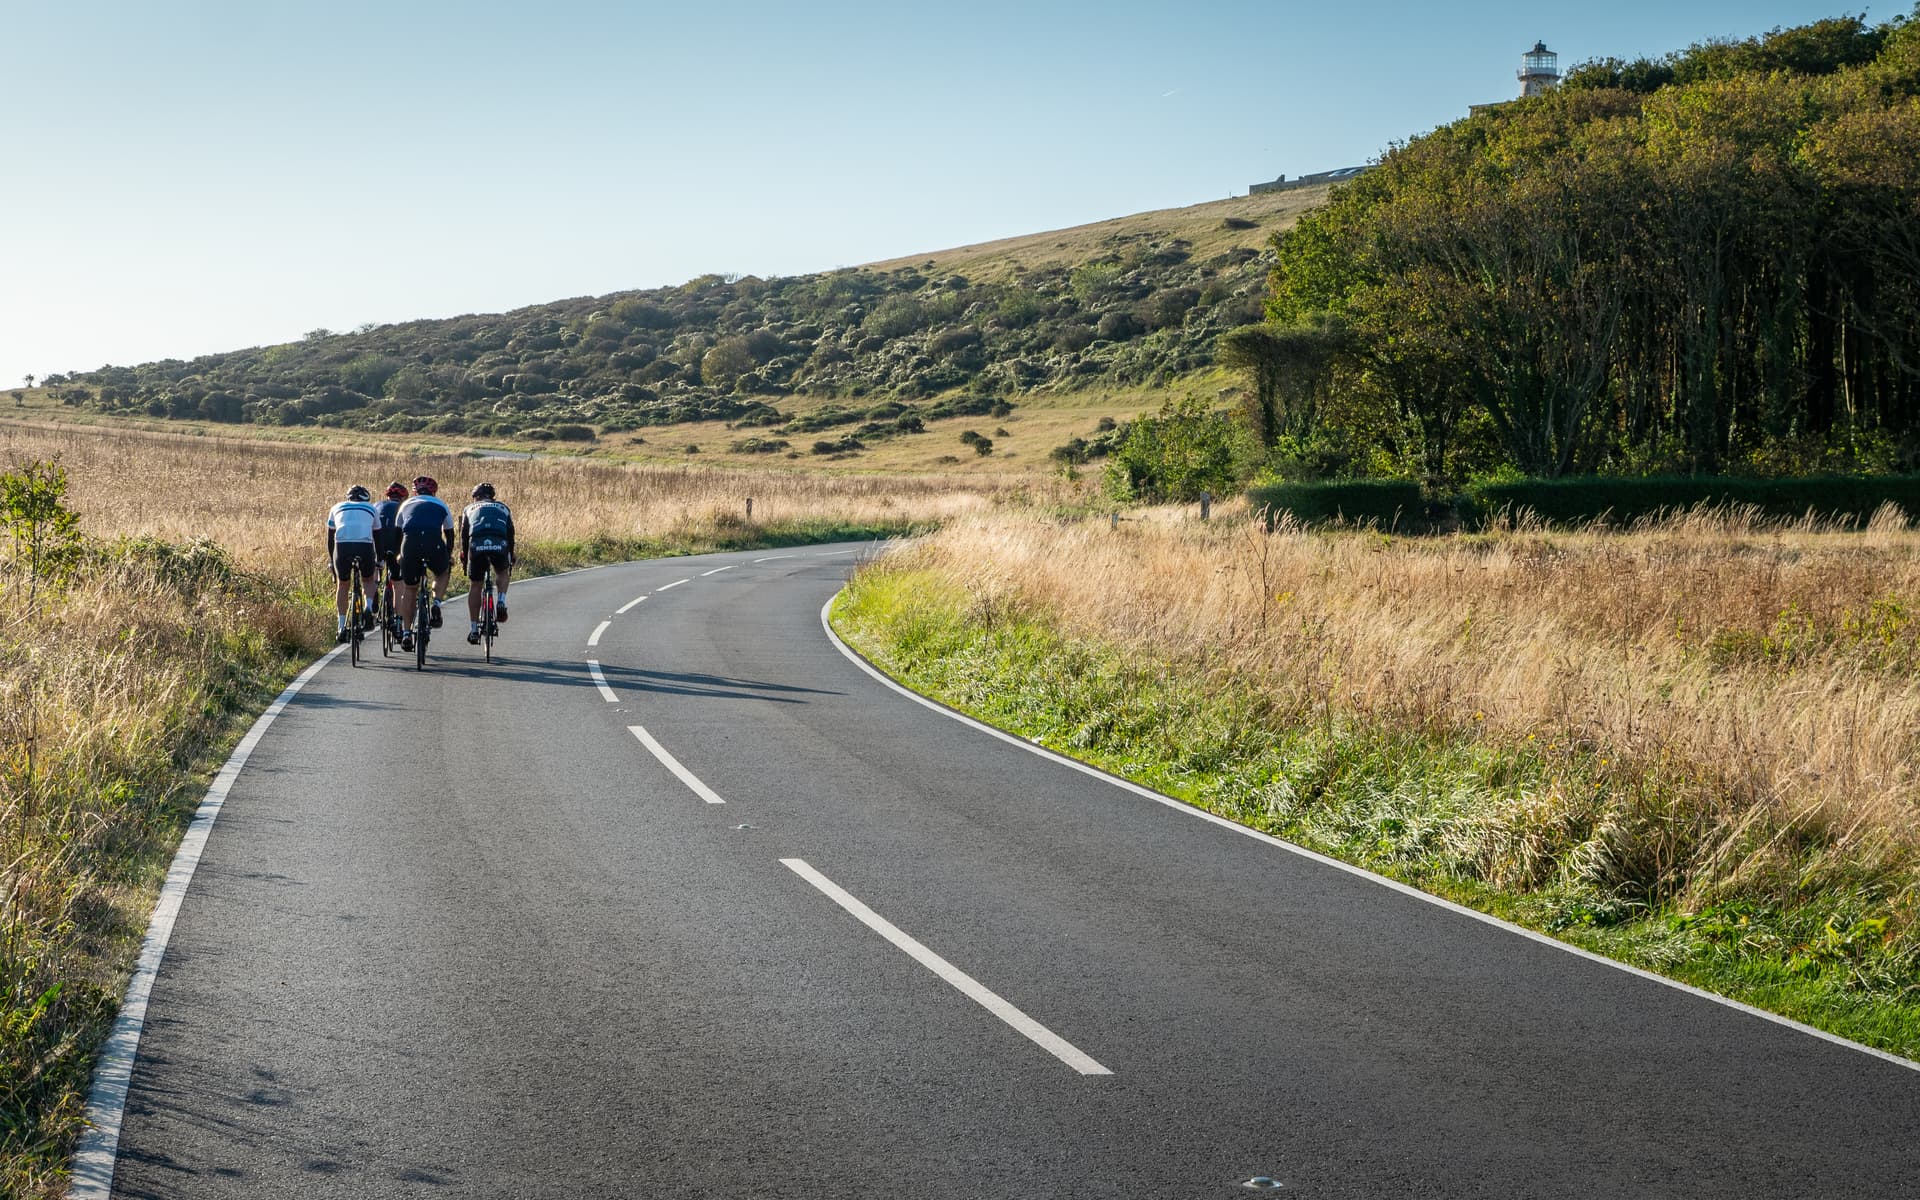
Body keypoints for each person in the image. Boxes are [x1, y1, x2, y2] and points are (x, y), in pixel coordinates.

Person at [393, 474, 454, 652]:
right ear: (433, 492)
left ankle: (406, 633)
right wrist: (448, 554)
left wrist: (398, 554)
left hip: (409, 545)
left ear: (415, 492)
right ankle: (436, 603)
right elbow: (450, 534)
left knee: (410, 588)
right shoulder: (441, 504)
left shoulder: (405, 504)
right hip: (433, 543)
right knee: (443, 571)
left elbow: (397, 532)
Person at [460, 482, 516, 645]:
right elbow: (510, 534)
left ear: (476, 497)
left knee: (476, 584)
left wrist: (465, 557)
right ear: (492, 497)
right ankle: (501, 601)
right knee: (502, 572)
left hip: (476, 544)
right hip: (499, 542)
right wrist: (510, 555)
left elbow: (464, 535)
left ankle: (474, 629)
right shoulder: (503, 507)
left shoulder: (469, 508)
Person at [326, 485, 380, 642]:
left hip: (342, 546)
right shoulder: (371, 508)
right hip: (364, 546)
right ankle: (368, 608)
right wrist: (380, 560)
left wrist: (332, 560)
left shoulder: (336, 507)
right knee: (368, 579)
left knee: (343, 584)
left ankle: (341, 627)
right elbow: (378, 536)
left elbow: (330, 538)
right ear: (366, 498)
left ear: (348, 498)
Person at [373, 481, 408, 637]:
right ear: (403, 497)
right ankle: (398, 622)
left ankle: (373, 592)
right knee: (398, 585)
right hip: (395, 546)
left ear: (387, 496)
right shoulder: (404, 508)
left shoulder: (376, 505)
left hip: (378, 545)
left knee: (372, 574)